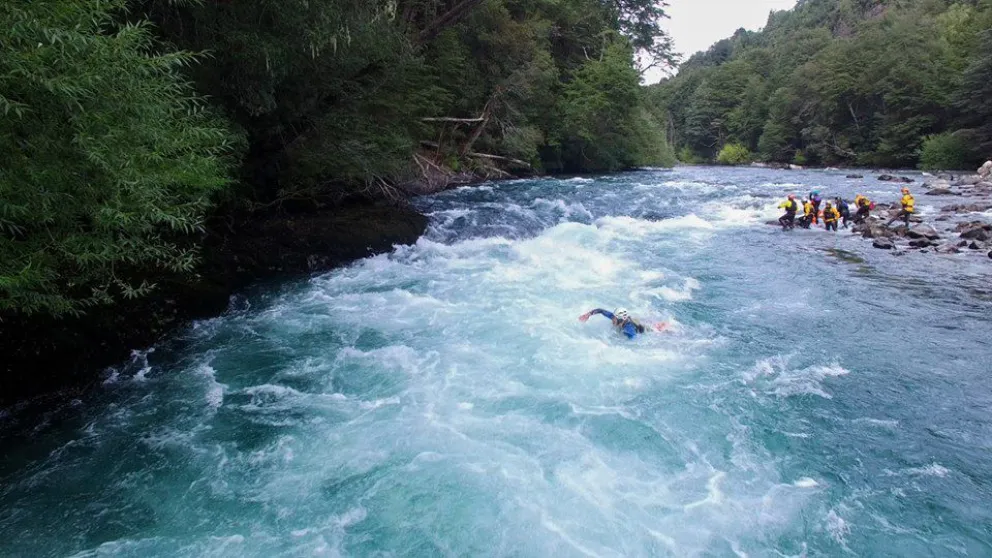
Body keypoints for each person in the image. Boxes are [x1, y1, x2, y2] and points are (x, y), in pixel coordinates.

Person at [579, 308, 668, 339]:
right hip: (634, 320)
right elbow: (600, 310)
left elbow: (633, 339)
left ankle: (663, 327)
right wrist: (588, 315)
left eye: (615, 319)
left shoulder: (629, 329)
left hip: (643, 328)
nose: (612, 320)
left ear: (621, 320)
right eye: (613, 317)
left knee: (658, 329)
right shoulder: (615, 317)